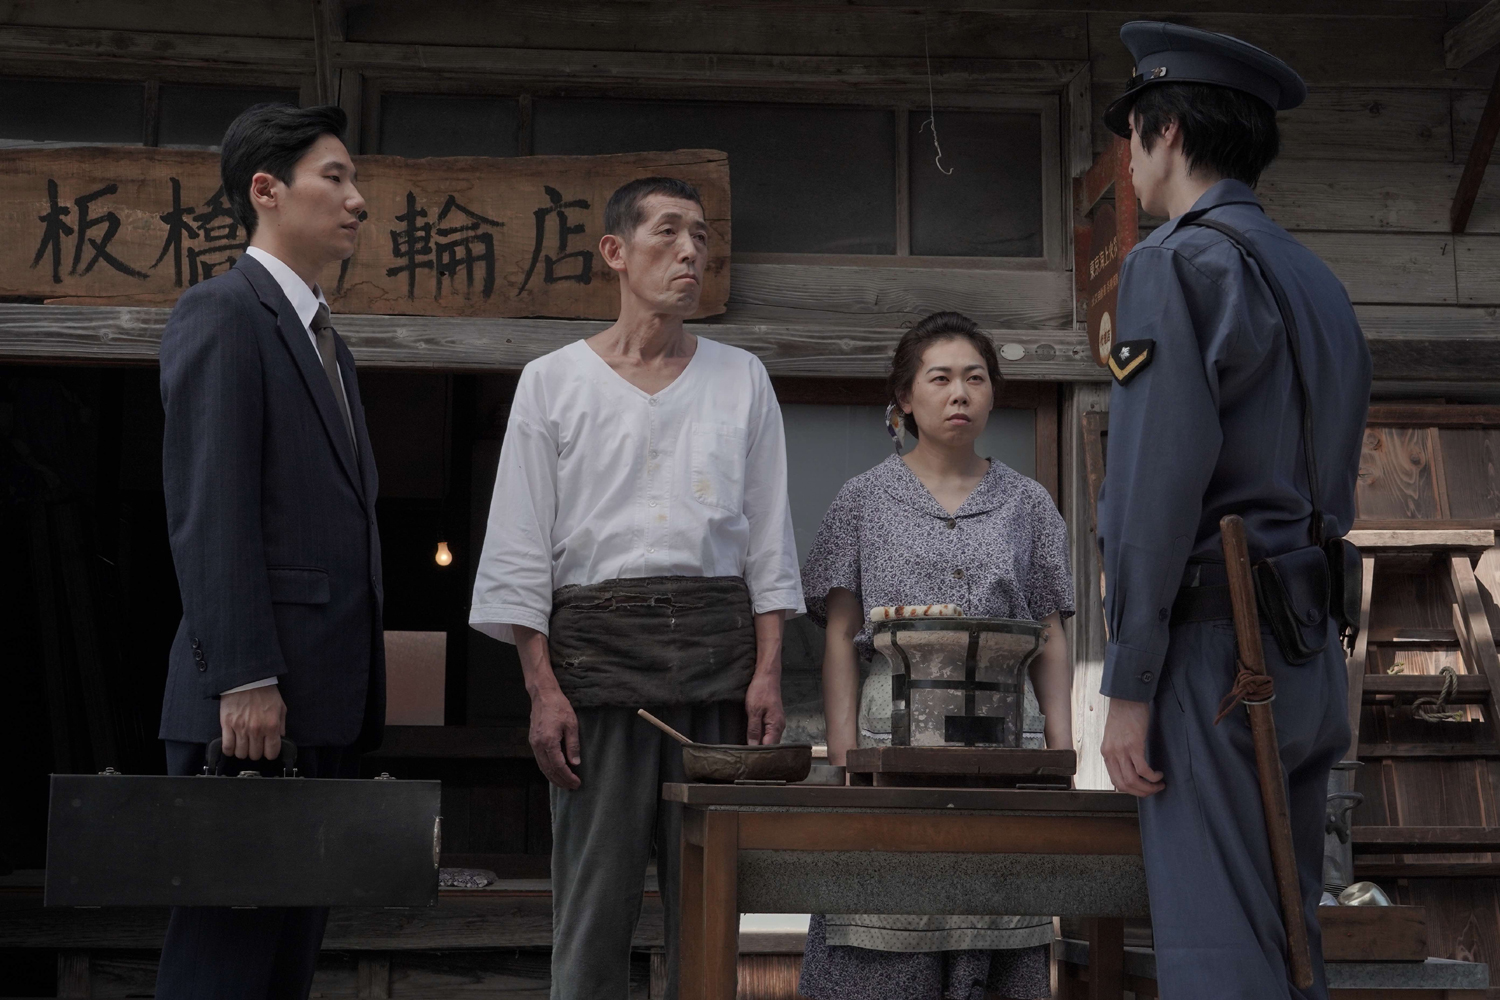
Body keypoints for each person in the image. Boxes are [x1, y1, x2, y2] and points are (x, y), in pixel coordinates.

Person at [469, 176, 803, 1000]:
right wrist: (542, 691)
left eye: (701, 237)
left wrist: (768, 672)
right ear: (615, 252)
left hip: (716, 672)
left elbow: (769, 542)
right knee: (592, 917)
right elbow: (519, 551)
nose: (691, 252)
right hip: (596, 673)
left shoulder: (742, 378)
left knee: (711, 913)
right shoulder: (552, 381)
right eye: (669, 233)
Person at [1095, 22, 1372, 1000]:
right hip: (1309, 649)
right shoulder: (1317, 280)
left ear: (1166, 131)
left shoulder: (1171, 263)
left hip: (1219, 647)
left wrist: (1130, 679)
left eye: (1131, 136)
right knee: (1290, 949)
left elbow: (1154, 485)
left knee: (1220, 957)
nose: (1129, 162)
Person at [154, 103, 384, 1000]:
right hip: (250, 703)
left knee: (284, 968)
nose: (357, 199)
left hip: (318, 700)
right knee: (224, 967)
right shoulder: (223, 312)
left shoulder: (330, 343)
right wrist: (244, 674)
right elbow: (209, 507)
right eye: (336, 176)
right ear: (266, 190)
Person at [797, 312, 1074, 1000]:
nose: (959, 394)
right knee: (882, 911)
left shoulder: (1030, 504)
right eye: (941, 378)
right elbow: (840, 637)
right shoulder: (862, 498)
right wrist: (845, 756)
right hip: (889, 742)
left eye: (975, 379)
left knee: (995, 905)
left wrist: (1061, 754)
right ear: (904, 397)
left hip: (1003, 747)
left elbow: (1050, 635)